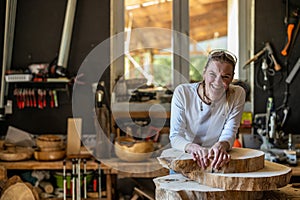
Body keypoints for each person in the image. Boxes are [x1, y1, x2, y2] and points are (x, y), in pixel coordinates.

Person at [169, 49, 246, 171]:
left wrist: (222, 145)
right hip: (185, 156)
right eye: (212, 74)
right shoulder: (183, 93)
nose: (218, 82)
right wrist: (193, 148)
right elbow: (175, 136)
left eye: (225, 76)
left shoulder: (237, 94)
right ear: (204, 73)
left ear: (231, 78)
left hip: (216, 158)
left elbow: (230, 131)